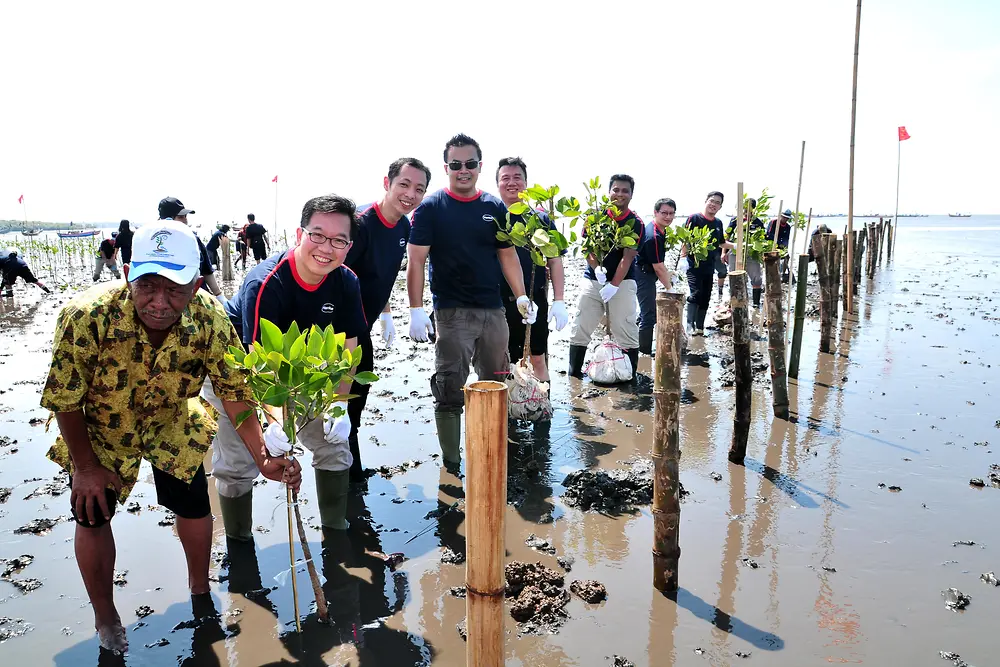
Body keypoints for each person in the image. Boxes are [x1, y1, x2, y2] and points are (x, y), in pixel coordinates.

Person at [40, 220, 301, 652]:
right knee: (92, 512)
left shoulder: (210, 316)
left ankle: (200, 591)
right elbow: (65, 398)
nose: (159, 303)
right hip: (102, 428)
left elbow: (234, 391)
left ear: (196, 283)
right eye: (147, 286)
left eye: (175, 290)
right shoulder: (86, 316)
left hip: (172, 418)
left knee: (194, 502)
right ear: (127, 274)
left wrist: (262, 457)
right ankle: (105, 617)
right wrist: (85, 468)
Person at [210, 194, 367, 537]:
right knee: (238, 464)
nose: (327, 247)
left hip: (302, 370)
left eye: (339, 240)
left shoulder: (346, 282)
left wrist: (338, 405)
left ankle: (335, 537)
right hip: (239, 370)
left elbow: (349, 347)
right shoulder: (266, 282)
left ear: (349, 246)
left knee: (335, 445)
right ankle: (239, 544)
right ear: (300, 234)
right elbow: (261, 363)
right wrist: (275, 421)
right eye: (318, 235)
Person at [406, 133, 535, 468]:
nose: (463, 170)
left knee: (496, 378)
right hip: (451, 312)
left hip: (493, 310)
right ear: (447, 167)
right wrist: (416, 310)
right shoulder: (431, 208)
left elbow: (508, 257)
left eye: (470, 164)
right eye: (455, 165)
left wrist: (520, 296)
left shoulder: (493, 206)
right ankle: (452, 462)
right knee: (450, 387)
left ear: (480, 165)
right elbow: (417, 260)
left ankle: (489, 450)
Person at [344, 158, 431, 482]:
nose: (410, 194)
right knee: (340, 401)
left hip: (364, 324)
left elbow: (384, 275)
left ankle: (351, 468)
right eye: (404, 185)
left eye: (419, 189)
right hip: (339, 328)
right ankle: (343, 475)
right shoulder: (361, 224)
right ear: (387, 183)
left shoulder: (405, 227)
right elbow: (336, 277)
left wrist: (387, 315)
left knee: (357, 397)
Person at [495, 157, 568, 382]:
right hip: (497, 302)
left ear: (526, 183)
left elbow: (555, 260)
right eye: (505, 178)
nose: (512, 183)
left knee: (537, 358)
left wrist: (559, 300)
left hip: (535, 300)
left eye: (517, 178)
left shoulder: (540, 219)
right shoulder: (492, 216)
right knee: (502, 360)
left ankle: (542, 410)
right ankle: (507, 411)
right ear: (497, 184)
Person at [568, 174, 644, 380]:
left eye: (625, 191)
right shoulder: (595, 216)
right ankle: (574, 377)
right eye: (616, 190)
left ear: (631, 195)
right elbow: (587, 248)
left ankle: (630, 376)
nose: (620, 194)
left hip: (623, 281)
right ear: (609, 192)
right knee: (580, 327)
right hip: (593, 280)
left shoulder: (635, 222)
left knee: (625, 330)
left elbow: (628, 257)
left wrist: (614, 285)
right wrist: (596, 269)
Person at [158, 197, 226, 303]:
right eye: (181, 217)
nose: (185, 220)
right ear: (168, 219)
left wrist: (219, 295)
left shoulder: (193, 239)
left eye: (185, 216)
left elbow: (206, 271)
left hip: (199, 296)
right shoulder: (156, 243)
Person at [684, 191, 732, 335]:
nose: (714, 204)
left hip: (709, 267)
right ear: (706, 201)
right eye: (712, 201)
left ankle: (700, 327)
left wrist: (736, 245)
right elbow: (685, 240)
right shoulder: (694, 218)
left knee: (705, 297)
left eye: (717, 203)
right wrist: (682, 258)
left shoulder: (718, 223)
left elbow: (721, 243)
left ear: (720, 207)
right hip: (694, 265)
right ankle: (689, 325)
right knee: (695, 294)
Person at [635, 198, 677, 355]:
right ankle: (643, 352)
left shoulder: (659, 229)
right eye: (664, 213)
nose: (668, 217)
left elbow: (659, 263)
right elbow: (658, 267)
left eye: (671, 213)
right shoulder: (653, 236)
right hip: (643, 274)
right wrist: (670, 288)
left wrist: (668, 274)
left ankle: (636, 343)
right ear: (655, 213)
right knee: (649, 315)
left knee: (645, 312)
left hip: (645, 272)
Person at [722, 198, 765, 307]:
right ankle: (735, 303)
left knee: (757, 279)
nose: (746, 210)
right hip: (735, 253)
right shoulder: (735, 220)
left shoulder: (757, 222)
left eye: (749, 208)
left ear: (753, 209)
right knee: (734, 278)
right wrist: (724, 252)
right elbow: (726, 238)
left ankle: (755, 305)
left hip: (751, 254)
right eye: (744, 208)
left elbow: (762, 240)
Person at [766, 208, 794, 280]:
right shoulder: (773, 222)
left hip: (781, 246)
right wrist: (776, 244)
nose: (785, 219)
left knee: (786, 257)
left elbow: (786, 238)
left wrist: (785, 248)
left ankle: (782, 274)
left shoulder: (787, 227)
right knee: (772, 261)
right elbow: (769, 235)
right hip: (771, 245)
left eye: (787, 218)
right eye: (784, 217)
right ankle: (771, 276)